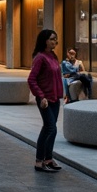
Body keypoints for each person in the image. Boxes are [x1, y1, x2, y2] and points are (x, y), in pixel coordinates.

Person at [27, 29, 63, 173]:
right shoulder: (40, 58)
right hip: (45, 100)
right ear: (45, 41)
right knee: (50, 128)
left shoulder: (53, 56)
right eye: (52, 39)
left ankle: (48, 159)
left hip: (55, 98)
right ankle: (39, 161)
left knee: (51, 129)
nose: (55, 41)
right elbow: (31, 79)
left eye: (56, 39)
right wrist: (41, 96)